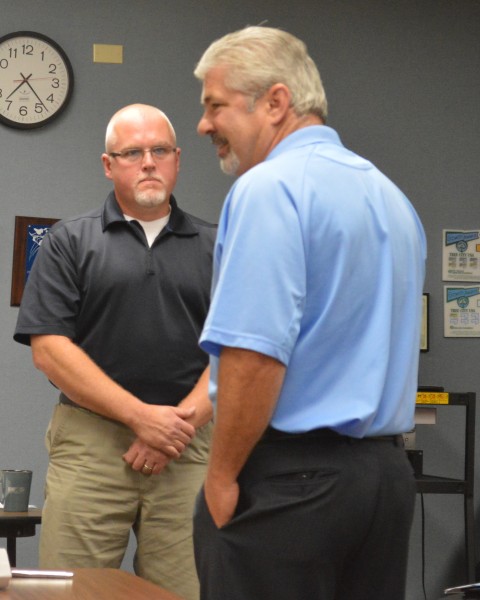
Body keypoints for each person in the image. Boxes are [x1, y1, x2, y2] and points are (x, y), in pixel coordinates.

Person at [192, 26, 426, 600]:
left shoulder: (268, 189)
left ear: (275, 102)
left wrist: (221, 478)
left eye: (215, 105)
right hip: (385, 483)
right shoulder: (392, 197)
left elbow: (254, 355)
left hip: (289, 485)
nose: (203, 125)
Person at [14, 104, 215, 600]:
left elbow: (241, 353)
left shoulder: (220, 245)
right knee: (73, 592)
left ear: (177, 159)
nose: (148, 162)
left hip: (187, 447)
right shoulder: (68, 241)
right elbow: (50, 351)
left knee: (187, 592)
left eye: (160, 151)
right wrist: (141, 418)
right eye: (132, 153)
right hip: (91, 445)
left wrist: (173, 426)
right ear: (109, 165)